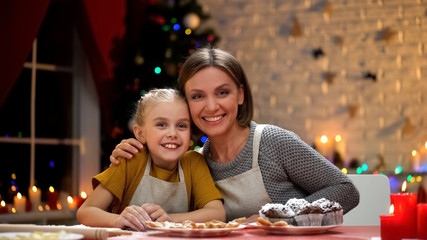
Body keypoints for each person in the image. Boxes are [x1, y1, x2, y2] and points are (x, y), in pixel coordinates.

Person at [110, 47, 360, 222]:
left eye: (222, 92)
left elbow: (346, 189)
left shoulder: (273, 142)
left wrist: (276, 218)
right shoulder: (194, 162)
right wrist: (133, 155)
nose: (211, 107)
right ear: (186, 103)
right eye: (197, 96)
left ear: (240, 94)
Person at [77, 89, 225, 231]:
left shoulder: (194, 163)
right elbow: (85, 212)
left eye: (181, 125)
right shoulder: (131, 159)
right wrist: (116, 220)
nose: (173, 133)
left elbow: (218, 214)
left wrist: (170, 220)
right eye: (161, 124)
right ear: (140, 133)